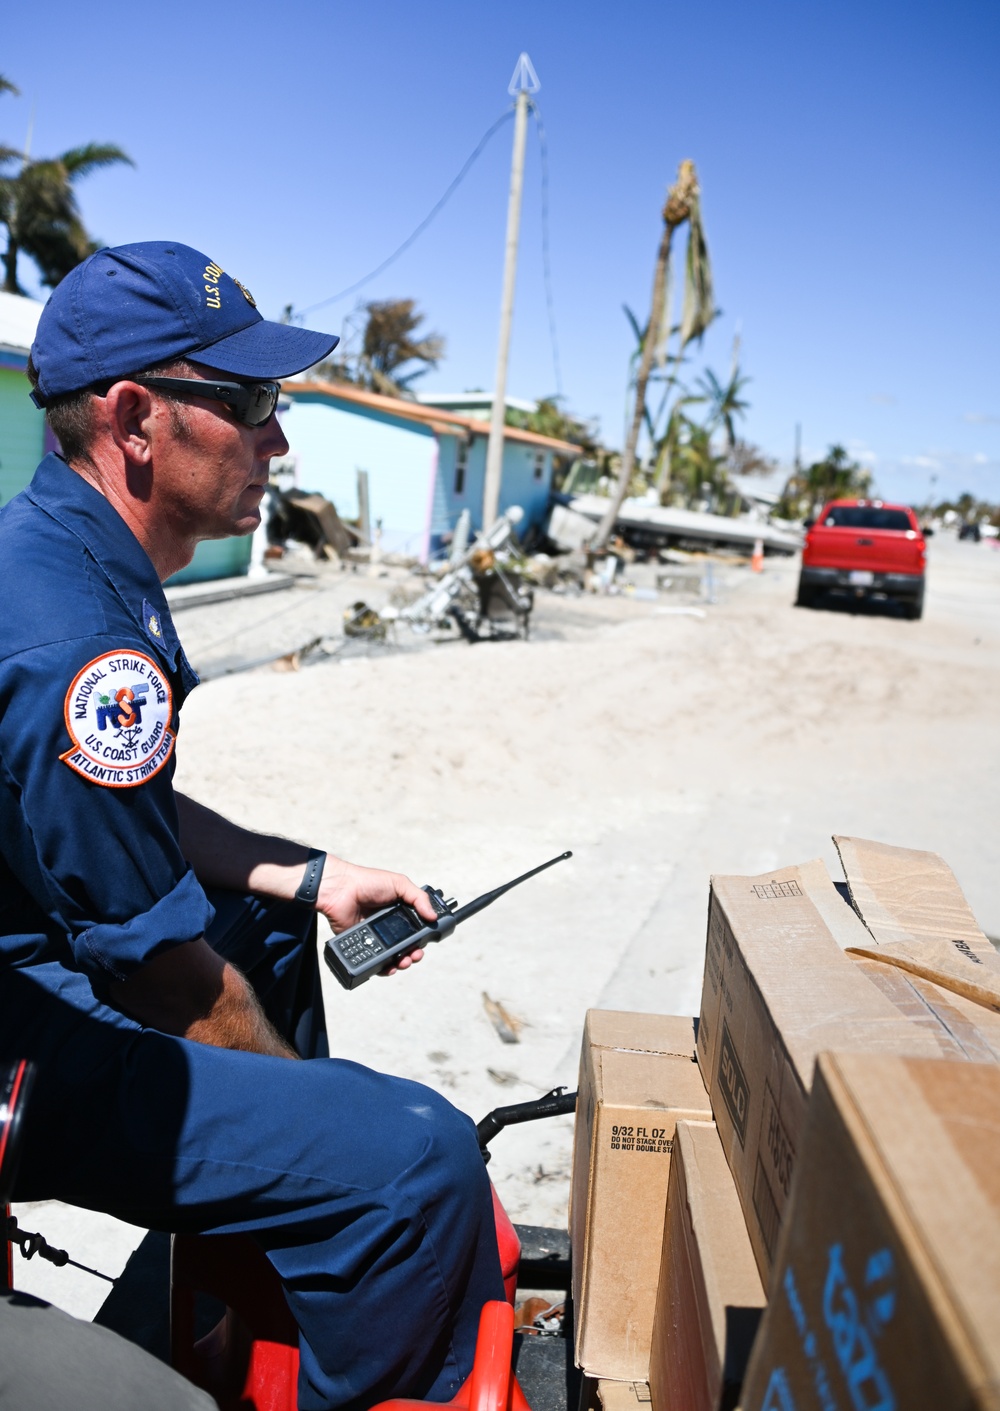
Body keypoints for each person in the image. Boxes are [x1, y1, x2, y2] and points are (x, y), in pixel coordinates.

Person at [0, 241, 504, 1411]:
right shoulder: (81, 638)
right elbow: (161, 969)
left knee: (268, 925)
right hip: (18, 1037)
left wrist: (313, 875)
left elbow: (129, 809)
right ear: (135, 419)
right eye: (251, 403)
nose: (280, 439)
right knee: (416, 1160)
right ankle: (323, 1226)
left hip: (31, 949)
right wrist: (322, 1112)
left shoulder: (73, 558)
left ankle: (249, 1276)